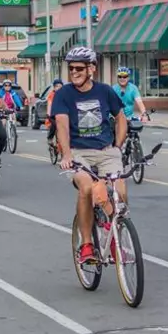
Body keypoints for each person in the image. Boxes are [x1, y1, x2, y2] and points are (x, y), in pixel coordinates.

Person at [51, 47, 127, 265]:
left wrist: (118, 146)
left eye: (78, 68)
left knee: (119, 190)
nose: (73, 72)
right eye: (70, 68)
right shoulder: (63, 94)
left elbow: (120, 118)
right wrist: (66, 154)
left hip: (105, 151)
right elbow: (62, 126)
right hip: (78, 152)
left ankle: (115, 236)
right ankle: (86, 245)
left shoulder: (105, 91)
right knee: (86, 187)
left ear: (91, 69)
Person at [46, 78, 64, 147]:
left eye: (60, 86)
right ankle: (50, 138)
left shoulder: (64, 94)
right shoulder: (52, 95)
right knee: (54, 125)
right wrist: (49, 114)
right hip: (53, 114)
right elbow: (49, 104)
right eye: (57, 86)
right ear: (54, 87)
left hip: (62, 113)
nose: (59, 88)